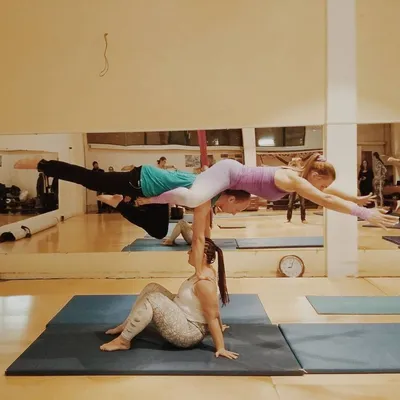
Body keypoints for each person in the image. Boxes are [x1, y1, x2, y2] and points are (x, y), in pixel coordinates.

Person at [14, 158, 250, 241]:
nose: (235, 214)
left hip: (150, 192)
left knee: (158, 231)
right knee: (89, 179)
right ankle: (42, 164)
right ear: (232, 199)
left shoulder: (214, 192)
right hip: (141, 181)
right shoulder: (211, 193)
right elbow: (201, 226)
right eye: (239, 209)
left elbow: (205, 220)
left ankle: (119, 202)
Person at [100, 238, 238, 360]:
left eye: (191, 250)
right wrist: (219, 326)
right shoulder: (205, 272)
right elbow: (211, 308)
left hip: (188, 332)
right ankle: (126, 325)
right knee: (152, 288)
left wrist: (220, 347)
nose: (188, 253)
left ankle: (123, 341)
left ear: (201, 256)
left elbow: (212, 315)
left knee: (153, 298)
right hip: (182, 315)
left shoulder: (204, 284)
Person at [286, 157, 306, 223]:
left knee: (302, 204)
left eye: (299, 160)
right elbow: (287, 171)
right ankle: (288, 219)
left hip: (300, 187)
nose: (298, 161)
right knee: (290, 203)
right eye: (298, 160)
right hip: (293, 187)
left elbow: (301, 174)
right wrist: (291, 163)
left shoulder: (301, 168)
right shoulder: (292, 168)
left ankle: (303, 219)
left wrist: (298, 164)